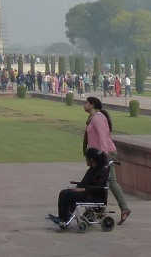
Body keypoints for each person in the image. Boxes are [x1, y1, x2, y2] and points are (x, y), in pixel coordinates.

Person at [82, 96, 131, 225]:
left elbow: (103, 137)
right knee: (106, 181)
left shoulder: (97, 118)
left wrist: (103, 155)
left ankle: (100, 209)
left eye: (86, 103)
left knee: (104, 181)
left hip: (105, 153)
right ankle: (102, 209)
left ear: (92, 105)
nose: (84, 104)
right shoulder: (94, 118)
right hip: (99, 154)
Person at [47, 148, 110, 228]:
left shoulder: (103, 171)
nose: (85, 160)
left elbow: (100, 188)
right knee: (65, 192)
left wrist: (83, 189)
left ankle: (63, 218)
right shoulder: (91, 170)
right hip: (88, 194)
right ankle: (62, 217)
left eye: (86, 158)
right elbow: (84, 183)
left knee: (66, 194)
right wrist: (76, 188)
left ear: (91, 159)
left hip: (94, 197)